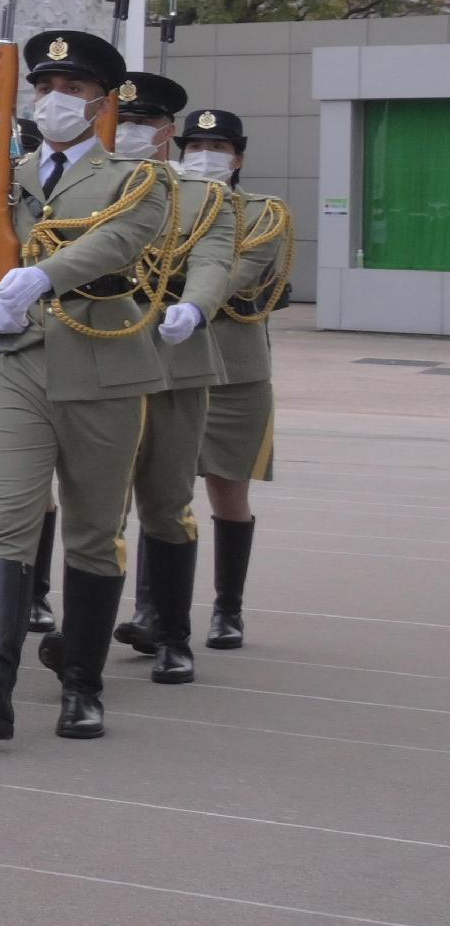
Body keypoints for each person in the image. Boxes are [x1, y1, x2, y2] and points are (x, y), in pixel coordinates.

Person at [0, 27, 172, 745]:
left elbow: (118, 242)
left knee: (95, 533)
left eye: (71, 90)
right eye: (43, 87)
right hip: (13, 361)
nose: (54, 100)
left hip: (99, 366)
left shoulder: (137, 179)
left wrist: (45, 273)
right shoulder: (1, 177)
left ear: (101, 104)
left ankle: (83, 686)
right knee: (4, 516)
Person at [103, 72, 239, 680]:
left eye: (141, 122)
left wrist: (196, 305)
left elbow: (213, 262)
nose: (130, 132)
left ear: (166, 131)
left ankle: (173, 632)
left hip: (171, 360)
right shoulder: (86, 184)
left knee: (165, 499)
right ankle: (89, 630)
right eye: (121, 120)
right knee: (97, 505)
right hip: (97, 357)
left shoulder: (203, 196)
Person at [172, 106, 290, 653]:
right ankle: (156, 609)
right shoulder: (160, 206)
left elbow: (228, 276)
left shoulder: (264, 215)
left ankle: (227, 609)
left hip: (233, 372)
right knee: (160, 494)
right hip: (166, 367)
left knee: (227, 493)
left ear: (238, 157)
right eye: (194, 146)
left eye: (217, 149)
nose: (205, 156)